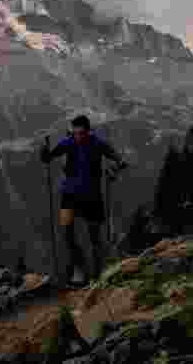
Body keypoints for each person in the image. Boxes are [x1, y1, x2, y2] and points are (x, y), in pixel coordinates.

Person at [40, 115, 128, 286]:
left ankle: (97, 274)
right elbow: (50, 157)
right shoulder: (69, 142)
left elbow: (120, 160)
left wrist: (115, 168)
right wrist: (44, 154)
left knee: (94, 236)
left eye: (80, 133)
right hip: (69, 194)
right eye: (74, 133)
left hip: (91, 196)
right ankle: (79, 269)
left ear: (88, 131)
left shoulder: (97, 143)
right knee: (67, 233)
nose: (77, 136)